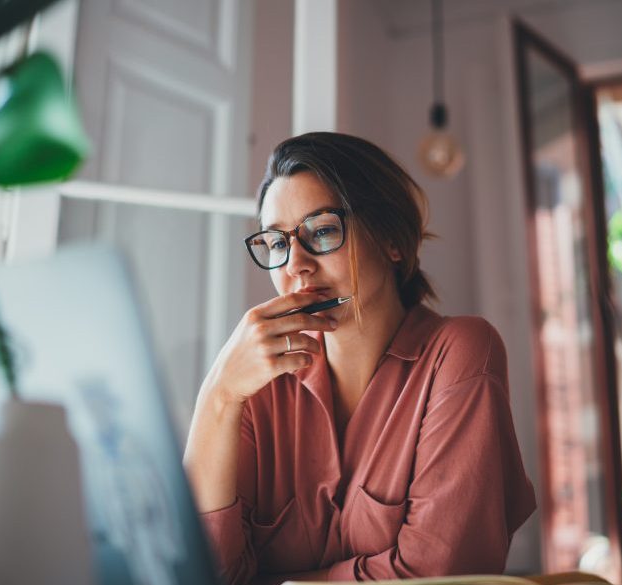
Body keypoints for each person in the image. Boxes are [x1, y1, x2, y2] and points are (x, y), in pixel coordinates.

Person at [184, 132, 535, 584]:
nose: (296, 265)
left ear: (392, 239)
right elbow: (201, 573)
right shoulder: (257, 385)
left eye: (323, 231)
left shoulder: (460, 353)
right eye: (276, 243)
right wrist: (218, 395)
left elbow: (437, 574)